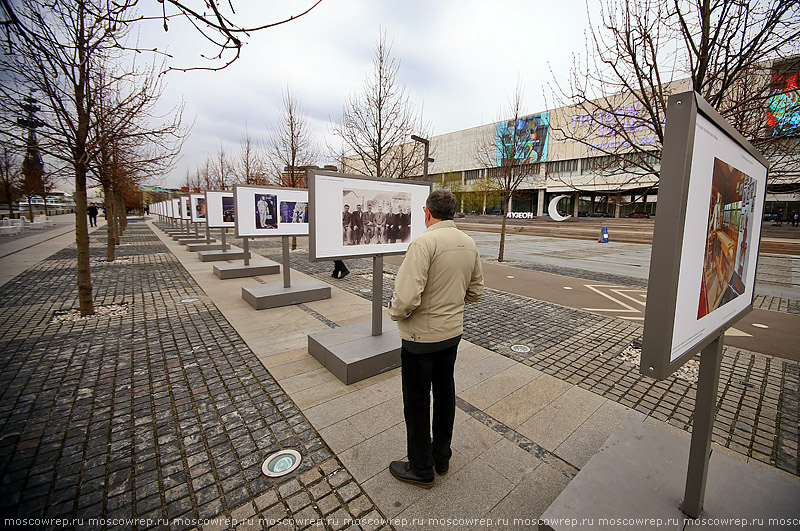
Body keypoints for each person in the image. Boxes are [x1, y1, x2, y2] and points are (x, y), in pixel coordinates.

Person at [387, 189, 484, 488]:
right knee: (445, 396)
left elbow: (405, 298)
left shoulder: (423, 242)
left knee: (416, 403)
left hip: (419, 339)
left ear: (427, 213)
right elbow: (476, 291)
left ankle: (421, 467)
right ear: (453, 213)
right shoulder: (469, 243)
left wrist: (395, 313)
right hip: (451, 335)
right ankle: (442, 457)